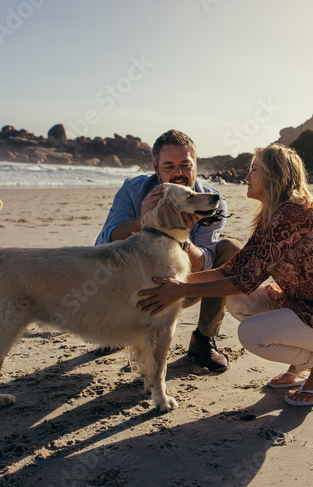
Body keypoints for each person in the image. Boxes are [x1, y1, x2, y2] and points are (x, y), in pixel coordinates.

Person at [138, 143, 313, 406]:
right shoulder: (273, 215)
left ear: (274, 177)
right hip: (305, 306)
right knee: (236, 301)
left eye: (254, 170)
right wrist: (176, 282)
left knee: (251, 334)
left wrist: (180, 290)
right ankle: (299, 363)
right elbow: (233, 269)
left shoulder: (292, 215)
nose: (247, 177)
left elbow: (243, 281)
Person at [96, 129, 240, 372]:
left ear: (195, 164)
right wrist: (144, 217)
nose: (178, 173)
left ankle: (203, 340)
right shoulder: (133, 190)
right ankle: (119, 329)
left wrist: (181, 236)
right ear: (156, 167)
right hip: (131, 285)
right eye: (169, 166)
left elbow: (204, 265)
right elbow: (105, 244)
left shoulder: (209, 200)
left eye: (185, 165)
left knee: (229, 250)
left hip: (180, 285)